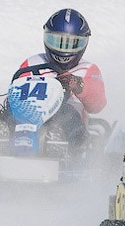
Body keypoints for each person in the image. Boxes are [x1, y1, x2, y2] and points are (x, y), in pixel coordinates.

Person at [14, 8, 107, 143]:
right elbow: (16, 89)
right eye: (57, 42)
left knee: (65, 113)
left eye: (72, 43)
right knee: (11, 110)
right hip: (29, 113)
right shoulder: (32, 62)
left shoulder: (88, 69)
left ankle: (57, 138)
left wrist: (79, 86)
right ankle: (0, 136)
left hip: (68, 120)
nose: (63, 49)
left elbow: (97, 105)